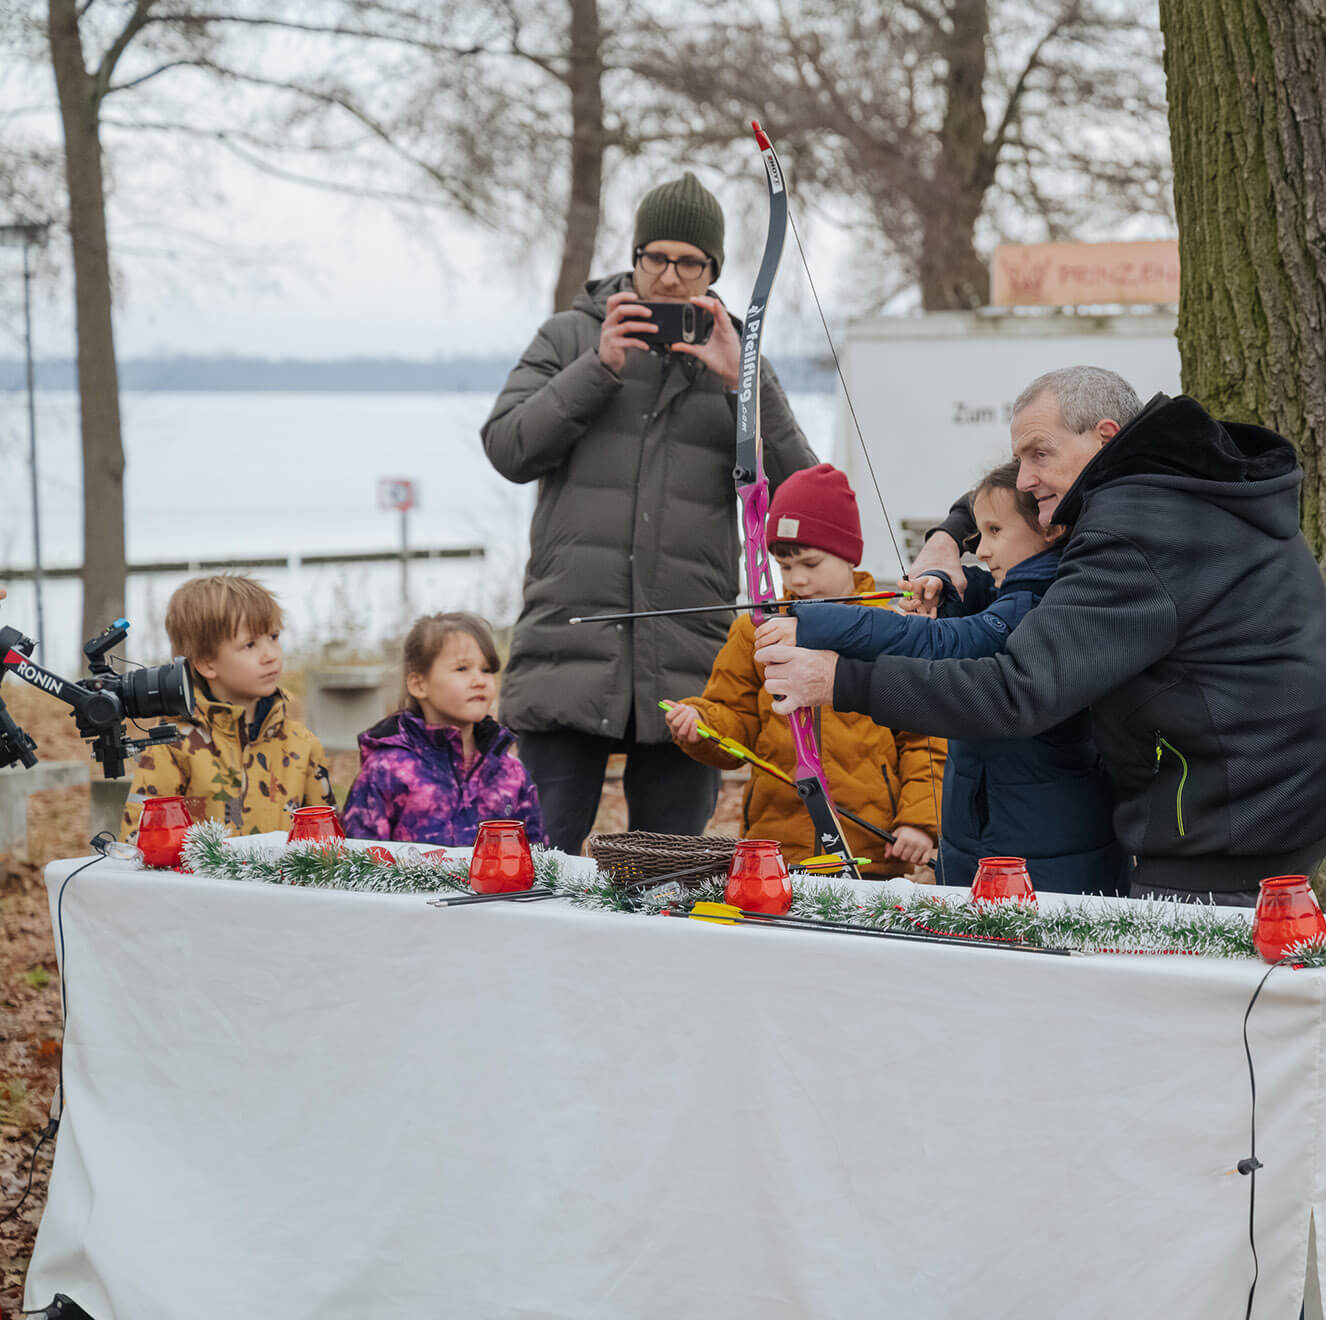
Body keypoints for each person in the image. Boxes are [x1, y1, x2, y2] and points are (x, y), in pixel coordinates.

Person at [758, 366, 1326, 904]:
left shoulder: (1136, 533)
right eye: (1020, 459)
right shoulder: (1169, 485)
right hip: (1268, 795)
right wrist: (947, 535)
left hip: (1232, 816)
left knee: (1185, 990)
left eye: (1039, 454)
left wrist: (839, 679)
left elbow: (1018, 691)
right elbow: (1010, 498)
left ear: (1104, 436)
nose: (1025, 478)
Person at [483, 172, 817, 854]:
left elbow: (803, 499)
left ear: (713, 272)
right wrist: (598, 367)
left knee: (669, 875)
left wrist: (743, 384)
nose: (668, 276)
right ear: (634, 258)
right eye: (655, 258)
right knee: (532, 865)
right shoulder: (572, 336)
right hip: (566, 653)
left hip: (690, 664)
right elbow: (508, 448)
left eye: (688, 263)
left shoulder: (740, 355)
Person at [765, 461, 1129, 894]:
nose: (983, 550)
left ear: (1050, 529)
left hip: (1043, 863)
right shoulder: (1006, 592)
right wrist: (941, 585)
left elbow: (951, 642)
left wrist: (816, 623)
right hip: (977, 845)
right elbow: (976, 601)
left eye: (995, 531)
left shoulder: (1041, 602)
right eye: (979, 534)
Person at [664, 464, 944, 878]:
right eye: (784, 565)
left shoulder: (890, 630)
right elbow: (735, 720)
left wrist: (919, 821)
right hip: (776, 851)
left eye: (811, 564)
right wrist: (701, 724)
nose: (798, 579)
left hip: (870, 852)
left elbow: (925, 739)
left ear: (849, 556)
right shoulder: (755, 632)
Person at [123, 574, 337, 839]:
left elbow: (328, 843)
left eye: (273, 637)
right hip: (196, 869)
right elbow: (142, 846)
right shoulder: (172, 746)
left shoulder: (301, 744)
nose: (271, 655)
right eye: (250, 645)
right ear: (207, 663)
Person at [341, 613, 545, 847]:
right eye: (462, 668)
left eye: (487, 669)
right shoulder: (387, 770)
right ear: (419, 685)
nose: (480, 680)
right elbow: (360, 859)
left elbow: (537, 856)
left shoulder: (510, 773)